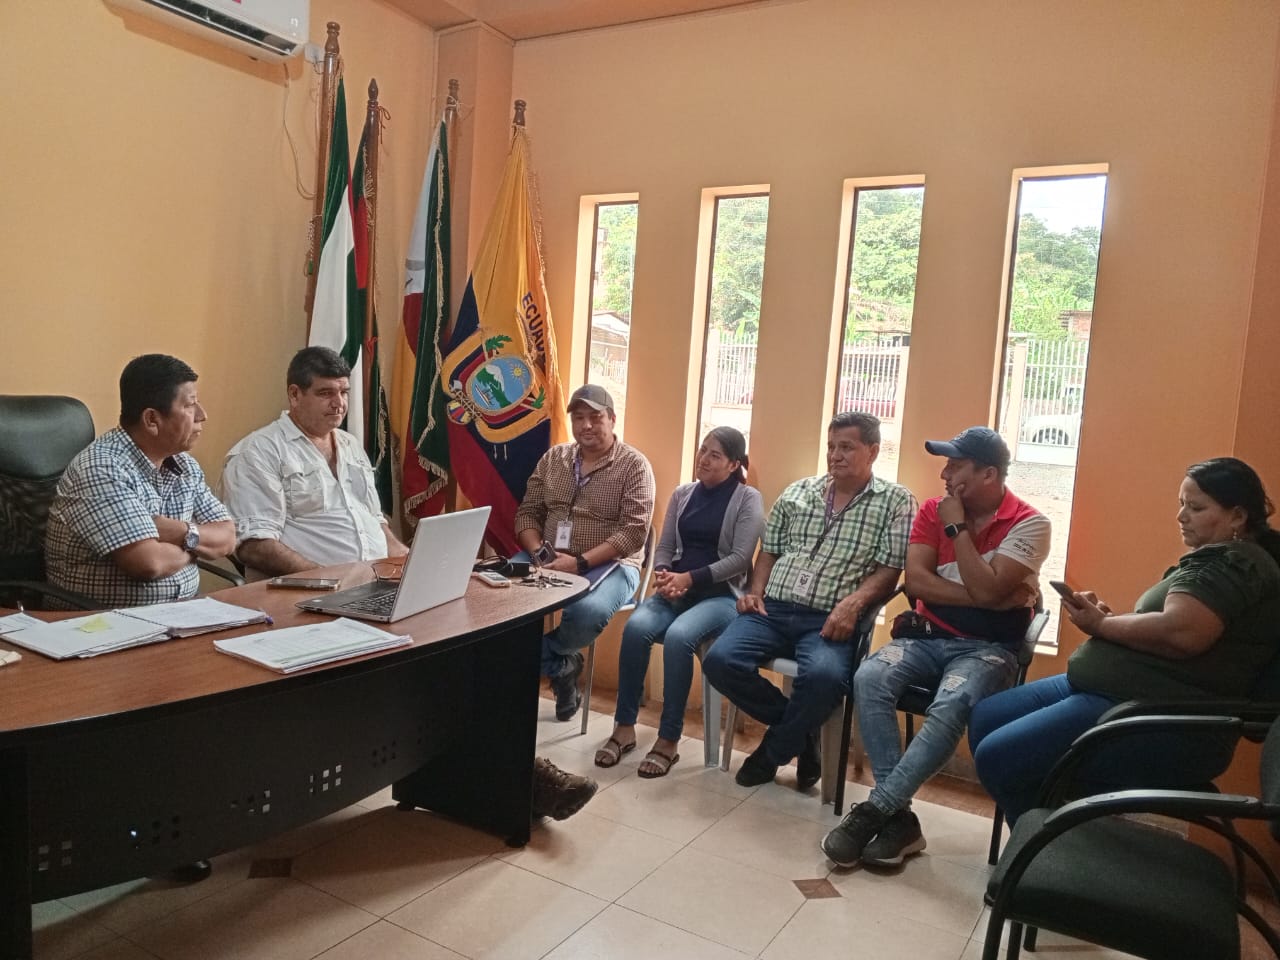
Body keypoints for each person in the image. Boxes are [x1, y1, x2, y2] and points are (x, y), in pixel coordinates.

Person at [968, 456, 1280, 827]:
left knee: (999, 757)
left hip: (1151, 714)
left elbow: (1182, 634)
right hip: (1119, 694)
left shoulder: (1233, 563)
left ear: (1238, 516)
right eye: (1182, 504)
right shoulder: (1222, 559)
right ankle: (1053, 835)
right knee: (987, 718)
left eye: (1196, 508)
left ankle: (1056, 844)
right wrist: (1111, 621)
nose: (1181, 516)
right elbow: (1169, 627)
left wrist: (1102, 625)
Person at [822, 426, 1050, 868]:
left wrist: (957, 528)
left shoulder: (1031, 524)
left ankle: (875, 810)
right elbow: (918, 584)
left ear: (989, 474)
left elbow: (979, 587)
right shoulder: (930, 509)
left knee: (953, 702)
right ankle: (900, 821)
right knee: (870, 676)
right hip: (926, 636)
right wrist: (991, 597)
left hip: (989, 649)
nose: (945, 475)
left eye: (956, 467)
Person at [702, 412, 916, 791]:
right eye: (831, 446)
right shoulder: (799, 491)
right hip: (773, 609)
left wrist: (853, 604)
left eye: (846, 447)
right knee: (719, 661)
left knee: (825, 678)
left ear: (873, 451)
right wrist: (755, 592)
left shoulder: (896, 501)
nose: (835, 455)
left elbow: (889, 570)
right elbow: (770, 551)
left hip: (830, 618)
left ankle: (771, 753)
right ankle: (802, 736)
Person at [594, 427, 766, 777]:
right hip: (675, 590)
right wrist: (663, 574)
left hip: (722, 596)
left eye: (715, 455)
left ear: (734, 464)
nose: (704, 459)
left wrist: (690, 578)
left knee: (678, 637)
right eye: (703, 450)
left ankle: (668, 739)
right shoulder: (683, 493)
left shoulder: (748, 499)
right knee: (636, 628)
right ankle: (624, 727)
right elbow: (665, 546)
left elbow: (739, 559)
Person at [45, 354, 237, 608]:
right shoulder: (102, 468)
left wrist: (182, 532)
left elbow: (227, 537)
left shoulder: (184, 465)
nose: (202, 415)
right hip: (102, 622)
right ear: (152, 420)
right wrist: (196, 548)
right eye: (190, 405)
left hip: (181, 615)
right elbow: (148, 563)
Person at [515, 384, 656, 722]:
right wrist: (539, 552)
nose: (586, 425)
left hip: (612, 564)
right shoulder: (554, 458)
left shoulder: (634, 466)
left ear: (612, 419)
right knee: (496, 593)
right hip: (548, 558)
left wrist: (579, 563)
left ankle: (539, 659)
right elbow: (527, 513)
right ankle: (563, 666)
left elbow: (633, 533)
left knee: (587, 612)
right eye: (579, 418)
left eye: (596, 417)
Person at [220, 346, 408, 579]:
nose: (339, 403)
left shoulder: (350, 444)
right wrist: (329, 581)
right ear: (294, 395)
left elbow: (373, 519)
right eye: (326, 393)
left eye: (344, 392)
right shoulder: (258, 451)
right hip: (308, 591)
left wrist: (407, 560)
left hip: (375, 581)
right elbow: (255, 546)